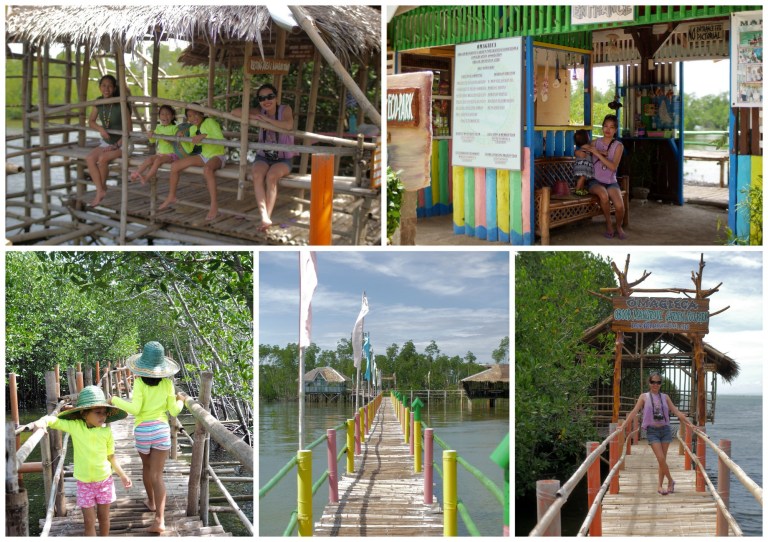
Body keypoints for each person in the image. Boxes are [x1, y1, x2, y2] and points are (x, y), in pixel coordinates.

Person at [29, 386, 132, 536]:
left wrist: (122, 475)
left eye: (104, 413)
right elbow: (55, 421)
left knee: (104, 518)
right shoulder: (76, 427)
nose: (102, 416)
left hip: (104, 481)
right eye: (97, 413)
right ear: (84, 414)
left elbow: (111, 457)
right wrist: (42, 421)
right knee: (89, 522)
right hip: (84, 484)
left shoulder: (106, 432)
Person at [110, 341, 185, 534]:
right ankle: (159, 519)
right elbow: (173, 410)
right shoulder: (168, 383)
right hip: (161, 429)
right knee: (157, 475)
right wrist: (181, 401)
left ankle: (151, 502)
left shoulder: (140, 382)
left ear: (143, 366)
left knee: (146, 468)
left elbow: (135, 409)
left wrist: (114, 400)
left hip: (142, 430)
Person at [232, 83, 295, 231]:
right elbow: (234, 112)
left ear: (276, 97)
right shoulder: (260, 111)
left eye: (270, 97)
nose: (266, 100)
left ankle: (267, 216)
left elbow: (288, 125)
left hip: (283, 158)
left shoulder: (285, 109)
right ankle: (264, 216)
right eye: (262, 98)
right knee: (257, 174)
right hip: (263, 156)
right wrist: (255, 116)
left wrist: (266, 120)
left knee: (272, 176)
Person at [622, 372, 692, 496]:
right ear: (649, 383)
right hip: (652, 431)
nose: (655, 384)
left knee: (662, 460)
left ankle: (660, 486)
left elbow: (676, 412)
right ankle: (671, 481)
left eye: (658, 382)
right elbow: (634, 412)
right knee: (660, 458)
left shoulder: (665, 397)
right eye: (653, 382)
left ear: (661, 384)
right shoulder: (644, 397)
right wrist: (623, 426)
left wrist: (690, 424)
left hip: (665, 430)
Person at [158, 103, 227, 222]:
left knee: (207, 170)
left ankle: (214, 205)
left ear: (202, 113)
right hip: (204, 156)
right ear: (187, 118)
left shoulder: (210, 122)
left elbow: (220, 139)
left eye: (196, 114)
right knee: (175, 166)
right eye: (190, 116)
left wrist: (204, 135)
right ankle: (171, 196)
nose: (193, 118)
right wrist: (181, 138)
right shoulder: (192, 128)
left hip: (217, 155)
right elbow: (190, 148)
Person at [86, 75, 133, 206]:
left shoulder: (121, 103)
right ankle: (100, 190)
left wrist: (116, 146)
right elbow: (91, 121)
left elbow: (129, 129)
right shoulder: (99, 102)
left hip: (123, 143)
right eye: (103, 85)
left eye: (109, 86)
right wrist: (100, 129)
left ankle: (102, 188)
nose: (106, 88)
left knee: (102, 159)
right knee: (89, 158)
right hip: (107, 142)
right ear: (100, 87)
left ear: (114, 88)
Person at [584, 114, 626, 240]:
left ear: (615, 130)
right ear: (602, 128)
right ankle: (608, 223)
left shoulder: (619, 146)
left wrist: (598, 154)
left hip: (611, 181)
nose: (608, 129)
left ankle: (618, 226)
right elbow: (582, 147)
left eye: (612, 127)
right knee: (603, 195)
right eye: (605, 126)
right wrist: (592, 149)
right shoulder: (595, 142)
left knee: (620, 206)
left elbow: (613, 167)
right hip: (595, 181)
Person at [130, 105, 180, 185]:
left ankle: (146, 177)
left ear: (172, 116)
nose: (165, 116)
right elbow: (152, 141)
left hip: (172, 155)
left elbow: (177, 143)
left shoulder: (174, 128)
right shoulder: (158, 127)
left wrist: (168, 139)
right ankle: (136, 174)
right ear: (159, 116)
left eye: (167, 114)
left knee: (157, 161)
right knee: (149, 159)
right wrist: (151, 134)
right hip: (160, 154)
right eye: (162, 114)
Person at [573, 129, 593, 194]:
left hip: (578, 166)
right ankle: (577, 190)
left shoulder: (579, 149)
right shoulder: (589, 147)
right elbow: (595, 151)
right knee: (582, 178)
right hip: (584, 166)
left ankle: (581, 190)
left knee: (582, 178)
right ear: (587, 138)